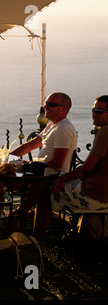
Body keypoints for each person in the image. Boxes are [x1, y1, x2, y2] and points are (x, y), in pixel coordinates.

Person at [50, 95, 108, 240]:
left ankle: (36, 238)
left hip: (97, 195)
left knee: (48, 191)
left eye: (99, 111)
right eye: (93, 110)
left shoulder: (105, 132)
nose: (94, 114)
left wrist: (64, 177)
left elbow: (87, 168)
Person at [10, 92, 77, 176]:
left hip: (50, 180)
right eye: (46, 103)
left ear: (63, 109)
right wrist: (7, 158)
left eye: (50, 104)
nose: (45, 106)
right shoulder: (53, 125)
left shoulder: (64, 128)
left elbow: (57, 163)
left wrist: (27, 165)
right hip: (42, 175)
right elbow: (29, 146)